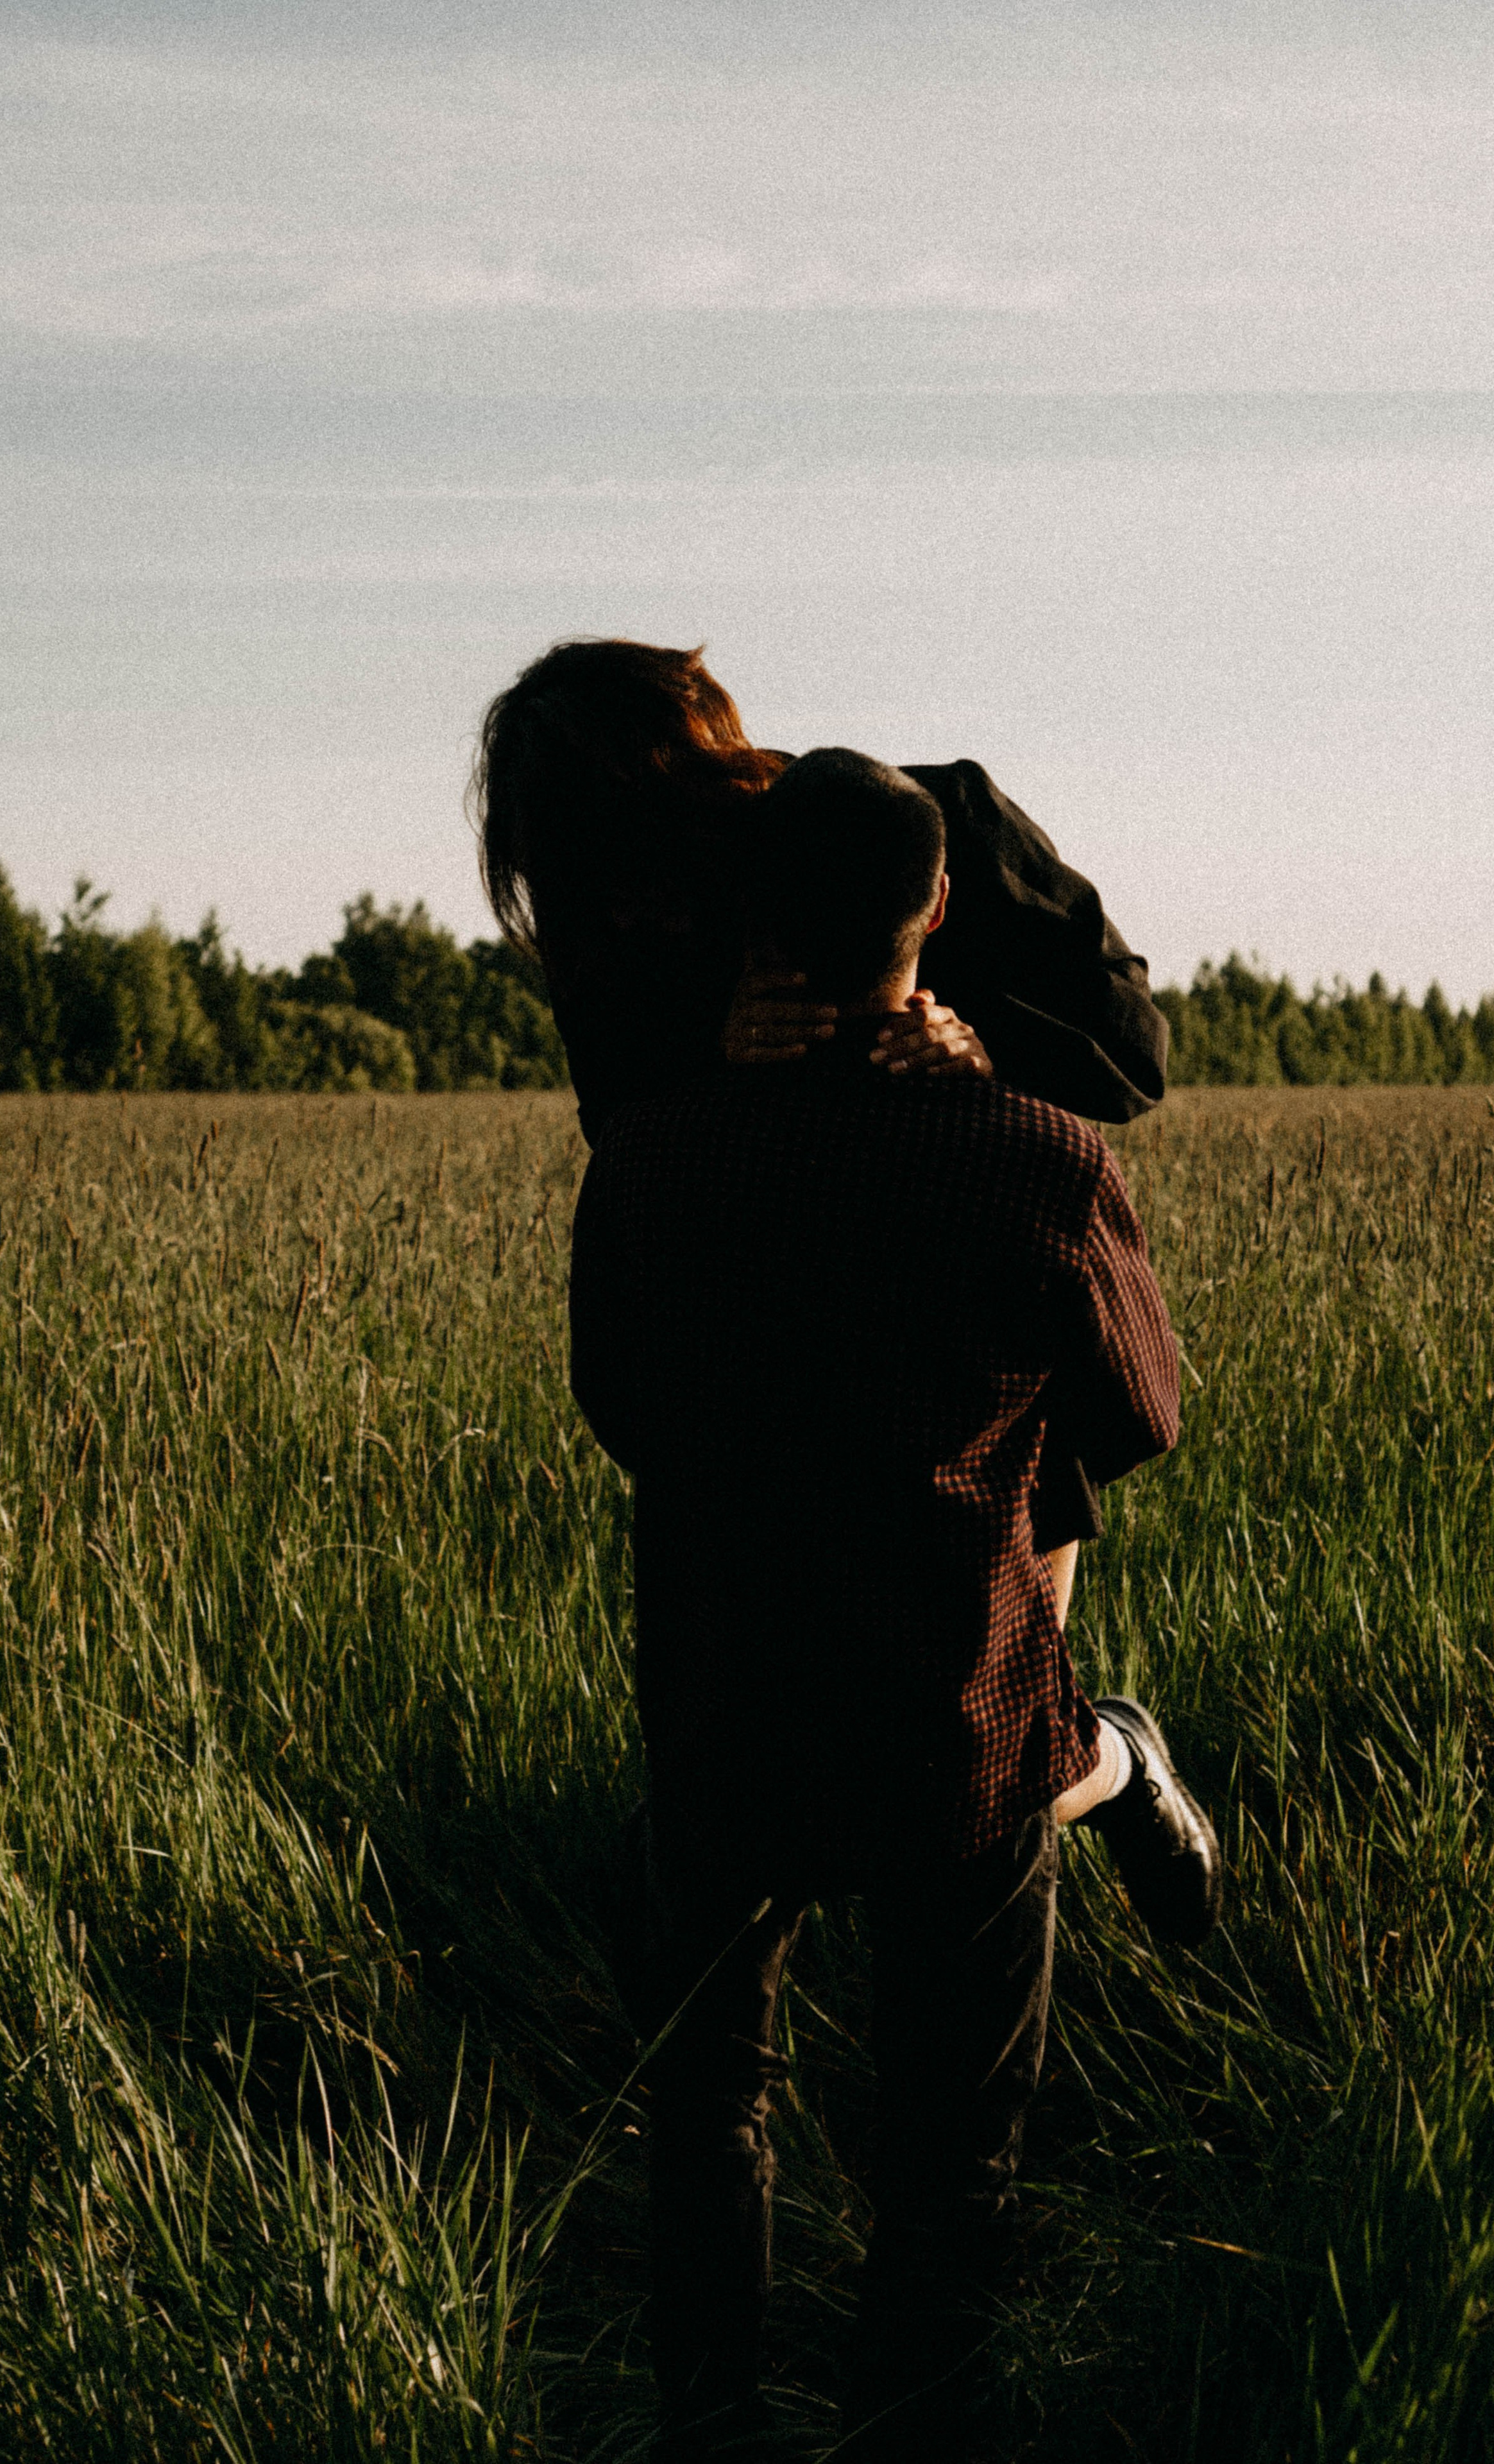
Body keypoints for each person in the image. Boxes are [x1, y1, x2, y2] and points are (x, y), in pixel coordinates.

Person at [567, 749, 1219, 2458]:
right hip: (968, 1712)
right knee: (951, 2163)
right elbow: (1144, 1419)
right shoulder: (1035, 1155)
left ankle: (711, 2424)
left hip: (720, 1702)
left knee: (707, 2110)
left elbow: (620, 1407)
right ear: (936, 909)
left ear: (744, 927)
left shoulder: (647, 1160)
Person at [474, 636, 1167, 1623]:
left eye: (634, 865)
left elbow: (1133, 1044)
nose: (627, 915)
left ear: (703, 792)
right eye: (587, 887)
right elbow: (617, 1136)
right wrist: (708, 1053)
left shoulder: (932, 828)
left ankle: (1041, 1722)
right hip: (770, 1327)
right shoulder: (604, 923)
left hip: (975, 1323)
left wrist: (985, 1052)